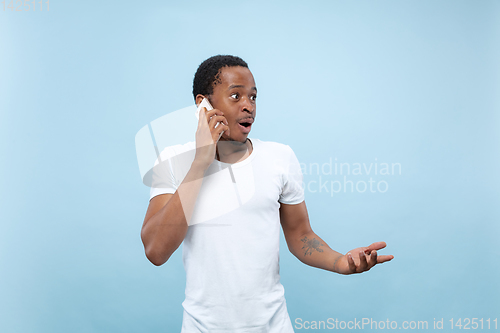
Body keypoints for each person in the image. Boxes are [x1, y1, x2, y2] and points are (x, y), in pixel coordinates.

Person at [140, 55, 394, 332]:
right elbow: (156, 250)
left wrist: (341, 262)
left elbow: (301, 235)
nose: (248, 105)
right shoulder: (173, 160)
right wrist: (201, 161)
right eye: (235, 96)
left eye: (253, 96)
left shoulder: (279, 157)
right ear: (204, 104)